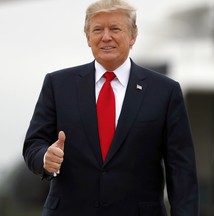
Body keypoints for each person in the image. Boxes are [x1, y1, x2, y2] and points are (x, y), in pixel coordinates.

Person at [22, 0, 199, 215]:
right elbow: (33, 144)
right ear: (88, 37)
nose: (106, 37)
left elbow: (181, 170)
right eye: (98, 30)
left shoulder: (165, 91)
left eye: (115, 29)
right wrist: (45, 158)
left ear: (133, 36)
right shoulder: (58, 85)